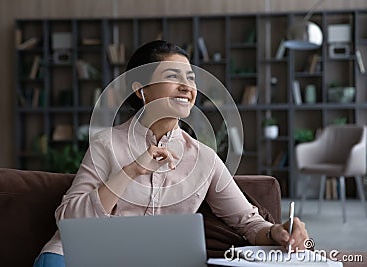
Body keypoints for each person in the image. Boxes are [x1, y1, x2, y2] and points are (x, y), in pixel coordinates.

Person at [33, 40, 308, 267]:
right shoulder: (107, 145)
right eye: (172, 77)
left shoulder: (204, 159)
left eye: (190, 78)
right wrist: (131, 171)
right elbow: (68, 221)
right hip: (81, 258)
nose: (187, 87)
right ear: (141, 90)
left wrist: (277, 232)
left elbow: (248, 223)